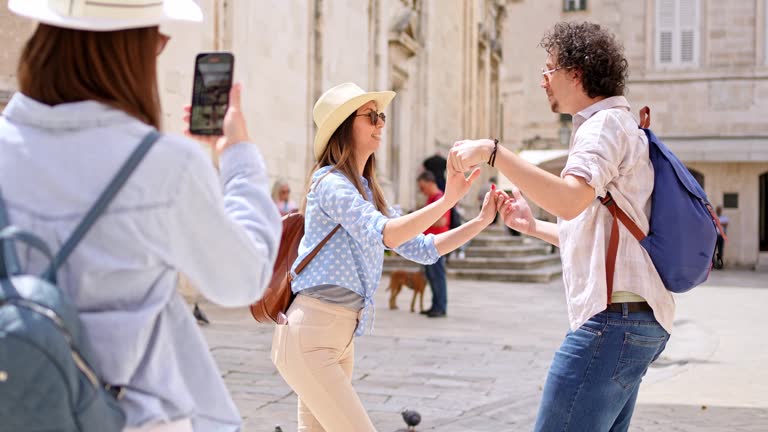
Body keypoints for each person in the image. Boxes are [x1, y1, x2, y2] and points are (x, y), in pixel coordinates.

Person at [1, 1, 282, 431]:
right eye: (157, 39)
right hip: (128, 415)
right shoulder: (164, 166)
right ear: (128, 52)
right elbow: (242, 279)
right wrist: (239, 159)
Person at [448, 22, 672, 432]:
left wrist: (494, 152)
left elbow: (569, 201)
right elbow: (597, 230)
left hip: (611, 322)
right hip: (637, 321)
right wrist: (533, 227)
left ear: (576, 73)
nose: (542, 80)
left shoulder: (602, 126)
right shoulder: (623, 126)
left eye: (549, 69)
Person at [271, 82, 500, 431]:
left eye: (382, 116)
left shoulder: (366, 192)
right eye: (372, 116)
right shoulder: (328, 182)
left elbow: (423, 249)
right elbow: (386, 233)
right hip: (312, 335)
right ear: (346, 126)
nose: (381, 123)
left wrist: (480, 222)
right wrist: (446, 200)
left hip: (338, 339)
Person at [416, 171, 449, 318]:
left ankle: (440, 307)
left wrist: (421, 220)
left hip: (438, 243)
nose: (421, 191)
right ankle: (435, 305)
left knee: (437, 275)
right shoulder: (431, 199)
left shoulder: (440, 199)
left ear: (430, 183)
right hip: (429, 243)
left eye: (422, 187)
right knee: (431, 275)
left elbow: (442, 221)